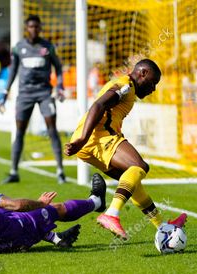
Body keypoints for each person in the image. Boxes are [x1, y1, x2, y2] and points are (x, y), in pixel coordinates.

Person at [64, 59, 187, 239]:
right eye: (153, 82)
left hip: (91, 142)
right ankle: (111, 214)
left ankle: (163, 226)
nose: (153, 89)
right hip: (97, 137)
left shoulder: (125, 86)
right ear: (142, 73)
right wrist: (83, 138)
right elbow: (98, 105)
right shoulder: (125, 87)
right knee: (140, 167)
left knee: (131, 182)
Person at [0, 15, 66, 184]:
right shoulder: (18, 48)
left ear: (40, 28)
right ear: (26, 28)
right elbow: (13, 71)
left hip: (44, 93)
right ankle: (14, 171)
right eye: (31, 27)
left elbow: (58, 68)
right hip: (25, 95)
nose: (34, 29)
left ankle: (60, 172)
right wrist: (6, 92)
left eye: (36, 26)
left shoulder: (48, 47)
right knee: (20, 131)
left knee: (52, 129)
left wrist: (60, 86)